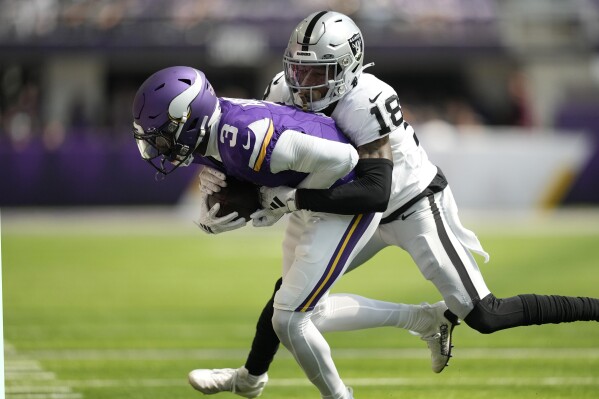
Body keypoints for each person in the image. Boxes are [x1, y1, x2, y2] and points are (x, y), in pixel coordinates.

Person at [190, 10, 599, 399]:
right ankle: (250, 379)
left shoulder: (366, 100)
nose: (302, 81)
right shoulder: (282, 87)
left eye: (317, 71)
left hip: (410, 203)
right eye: (298, 68)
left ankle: (594, 308)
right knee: (292, 301)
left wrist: (286, 199)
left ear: (348, 68)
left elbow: (375, 191)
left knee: (485, 315)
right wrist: (230, 179)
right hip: (349, 208)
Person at [132, 65, 455, 399]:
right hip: (309, 193)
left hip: (345, 198)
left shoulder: (246, 136)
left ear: (191, 119)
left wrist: (282, 202)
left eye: (164, 135)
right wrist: (222, 190)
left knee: (289, 316)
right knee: (305, 308)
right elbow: (234, 167)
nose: (161, 146)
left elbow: (345, 159)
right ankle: (424, 320)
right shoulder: (210, 130)